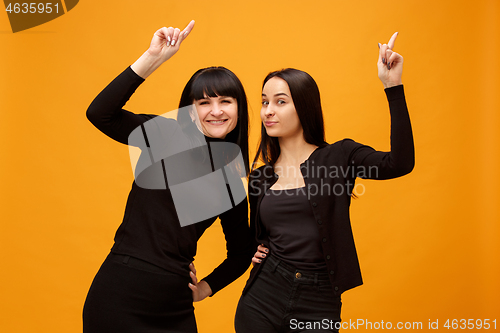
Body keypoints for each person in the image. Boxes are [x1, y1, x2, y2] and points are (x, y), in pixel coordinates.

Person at [234, 32, 414, 332]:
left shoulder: (340, 156)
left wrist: (392, 86)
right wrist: (257, 248)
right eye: (264, 101)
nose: (268, 111)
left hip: (319, 299)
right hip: (263, 295)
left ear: (303, 106)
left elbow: (400, 164)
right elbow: (262, 237)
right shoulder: (261, 177)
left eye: (280, 101)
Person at [83, 20, 254, 333]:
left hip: (174, 304)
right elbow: (99, 113)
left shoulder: (232, 180)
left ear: (239, 109)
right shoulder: (164, 134)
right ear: (191, 111)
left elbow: (242, 253)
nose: (216, 111)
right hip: (120, 293)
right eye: (205, 102)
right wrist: (152, 58)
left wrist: (205, 288)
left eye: (225, 101)